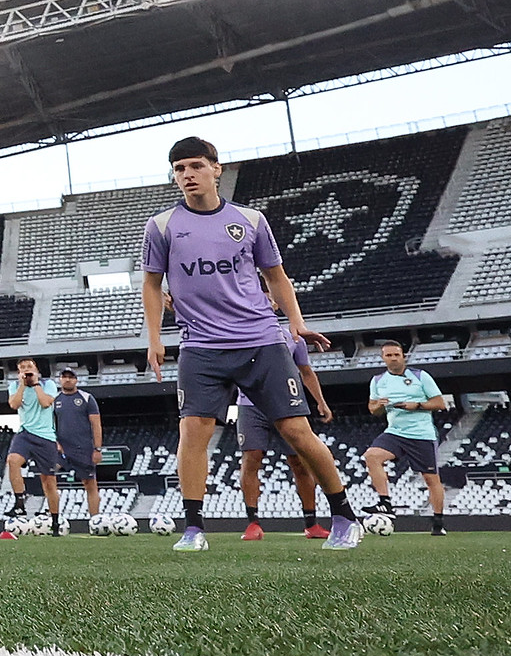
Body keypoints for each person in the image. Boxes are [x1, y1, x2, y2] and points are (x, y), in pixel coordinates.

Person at [144, 135, 362, 551]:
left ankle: (345, 516)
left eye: (195, 166)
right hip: (200, 346)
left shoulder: (251, 220)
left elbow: (276, 276)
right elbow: (152, 285)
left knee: (296, 431)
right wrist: (154, 338)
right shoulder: (162, 226)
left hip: (260, 340)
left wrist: (295, 323)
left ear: (215, 168)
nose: (187, 175)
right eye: (179, 170)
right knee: (192, 432)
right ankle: (193, 529)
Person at [236, 294, 332, 542]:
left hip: (286, 404)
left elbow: (306, 372)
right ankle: (252, 523)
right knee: (251, 459)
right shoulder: (237, 330)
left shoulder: (292, 335)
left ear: (277, 304)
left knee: (300, 462)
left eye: (268, 297)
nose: (264, 301)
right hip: (250, 404)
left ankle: (311, 523)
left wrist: (320, 401)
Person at [366, 341, 450, 536]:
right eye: (389, 355)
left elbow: (439, 403)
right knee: (371, 456)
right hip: (395, 432)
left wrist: (417, 405)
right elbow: (372, 409)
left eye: (396, 354)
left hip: (421, 434)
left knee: (431, 479)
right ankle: (385, 503)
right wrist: (379, 405)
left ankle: (438, 522)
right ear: (383, 358)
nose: (393, 358)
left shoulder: (420, 376)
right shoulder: (378, 381)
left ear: (403, 356)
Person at [2, 358, 65, 536]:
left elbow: (46, 403)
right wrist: (23, 384)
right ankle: (19, 502)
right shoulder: (14, 386)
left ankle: (54, 520)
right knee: (13, 461)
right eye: (22, 368)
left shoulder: (48, 384)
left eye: (29, 367)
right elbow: (14, 404)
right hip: (25, 432)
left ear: (36, 369)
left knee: (48, 481)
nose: (26, 370)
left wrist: (35, 383)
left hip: (45, 436)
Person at [50, 367, 103, 528]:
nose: (67, 380)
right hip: (61, 449)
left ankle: (95, 521)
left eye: (70, 377)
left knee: (90, 484)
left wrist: (97, 448)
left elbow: (96, 424)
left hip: (83, 448)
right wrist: (55, 443)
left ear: (76, 380)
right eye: (64, 377)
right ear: (59, 379)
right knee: (48, 476)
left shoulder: (86, 398)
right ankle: (53, 519)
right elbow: (50, 424)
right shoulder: (54, 400)